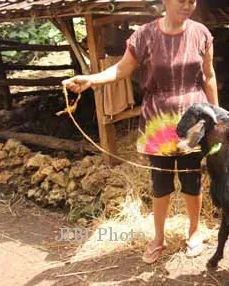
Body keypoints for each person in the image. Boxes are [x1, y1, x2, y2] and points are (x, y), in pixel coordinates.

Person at [63, 0, 218, 264]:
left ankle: (194, 232)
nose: (188, 5)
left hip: (193, 121)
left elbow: (208, 76)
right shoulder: (144, 35)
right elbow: (122, 69)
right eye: (181, 0)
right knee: (161, 184)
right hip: (157, 123)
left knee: (192, 179)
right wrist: (92, 79)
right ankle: (158, 238)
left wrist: (217, 116)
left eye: (192, 0)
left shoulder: (201, 33)